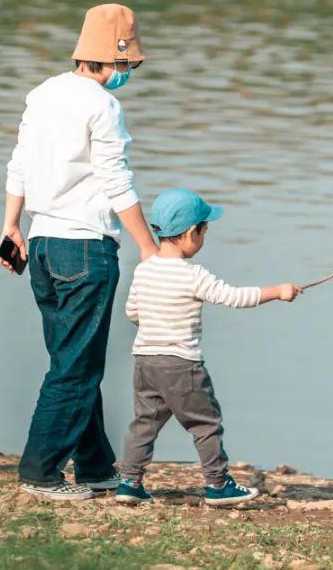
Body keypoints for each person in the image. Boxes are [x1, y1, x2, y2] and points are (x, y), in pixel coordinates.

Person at [0, 2, 159, 502]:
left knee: (73, 358)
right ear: (108, 61)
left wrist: (10, 226)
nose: (127, 74)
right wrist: (149, 249)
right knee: (77, 367)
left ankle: (93, 465)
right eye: (126, 65)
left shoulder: (43, 94)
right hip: (86, 248)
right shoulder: (103, 106)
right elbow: (116, 181)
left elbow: (19, 163)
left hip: (43, 245)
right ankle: (40, 471)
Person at [115, 188, 301, 508]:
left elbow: (133, 312)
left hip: (145, 360)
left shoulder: (144, 270)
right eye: (204, 230)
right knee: (205, 423)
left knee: (144, 422)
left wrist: (156, 328)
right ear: (191, 233)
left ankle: (130, 481)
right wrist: (278, 291)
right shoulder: (193, 275)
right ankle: (217, 485)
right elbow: (234, 297)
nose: (204, 237)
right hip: (181, 364)